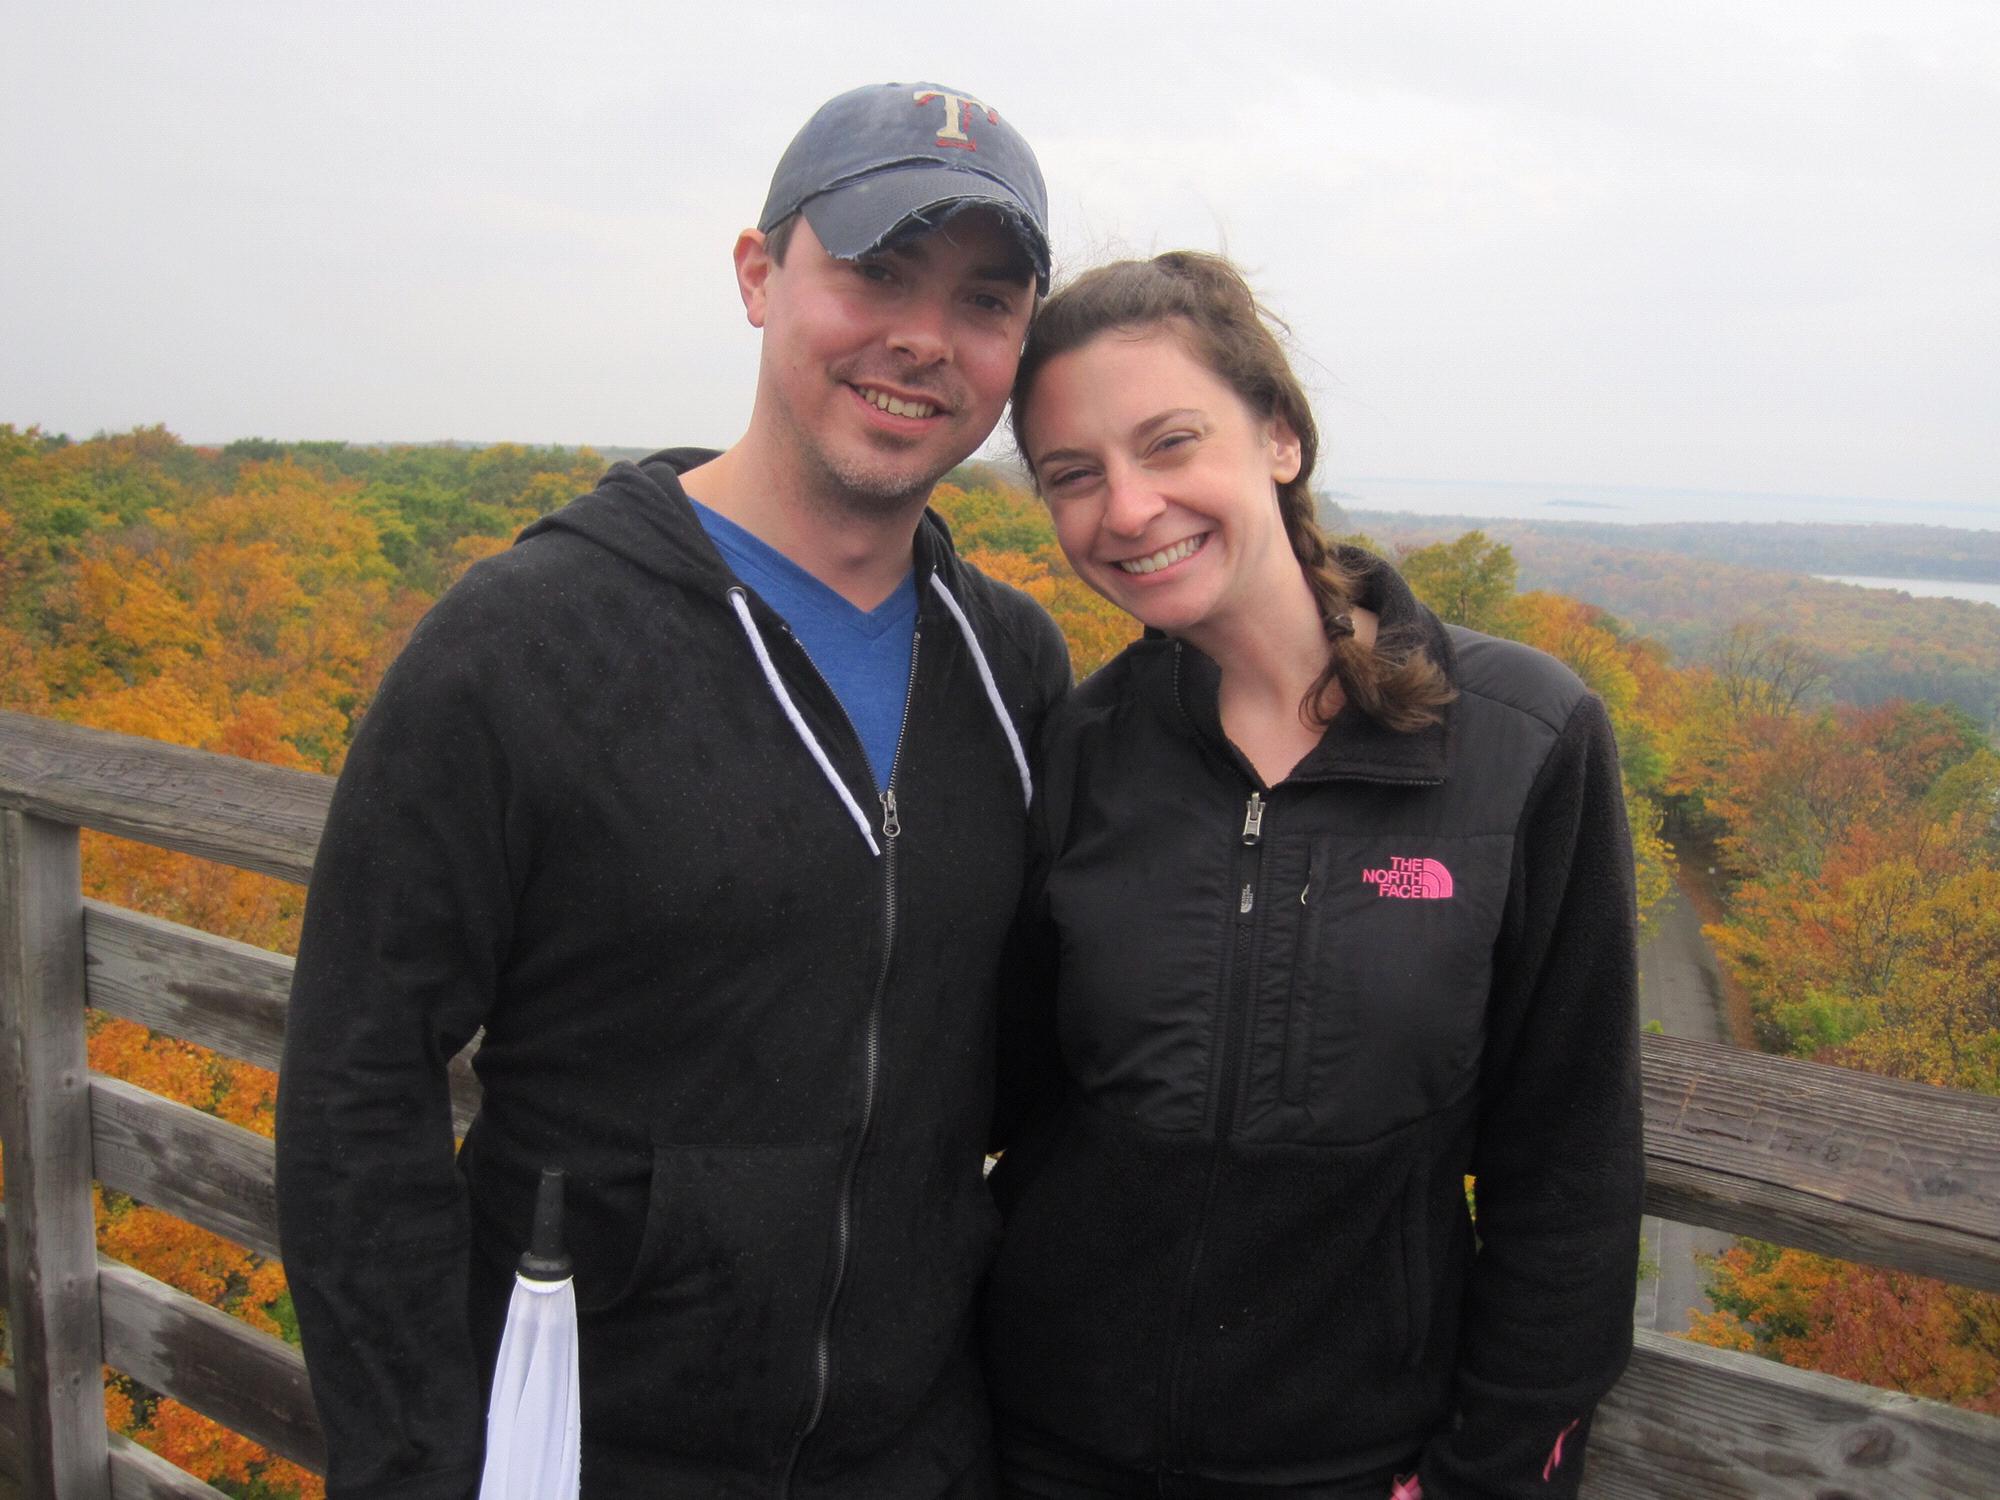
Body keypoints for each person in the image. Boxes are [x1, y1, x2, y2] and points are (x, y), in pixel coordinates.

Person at [275, 82, 1071, 1500]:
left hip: (921, 1451)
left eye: (983, 301)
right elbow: (356, 1080)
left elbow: (1039, 1050)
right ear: (759, 275)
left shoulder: (1010, 666)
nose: (922, 338)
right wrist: (411, 1466)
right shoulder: (525, 641)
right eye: (877, 271)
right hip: (587, 1446)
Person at [982, 253, 1644, 1500]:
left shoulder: (1518, 741)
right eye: (1072, 475)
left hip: (1354, 1460)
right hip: (1044, 1445)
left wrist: (1490, 1472)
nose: (1127, 508)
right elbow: (988, 1089)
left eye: (1169, 443)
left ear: (1278, 438)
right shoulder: (1082, 746)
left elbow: (1569, 1165)